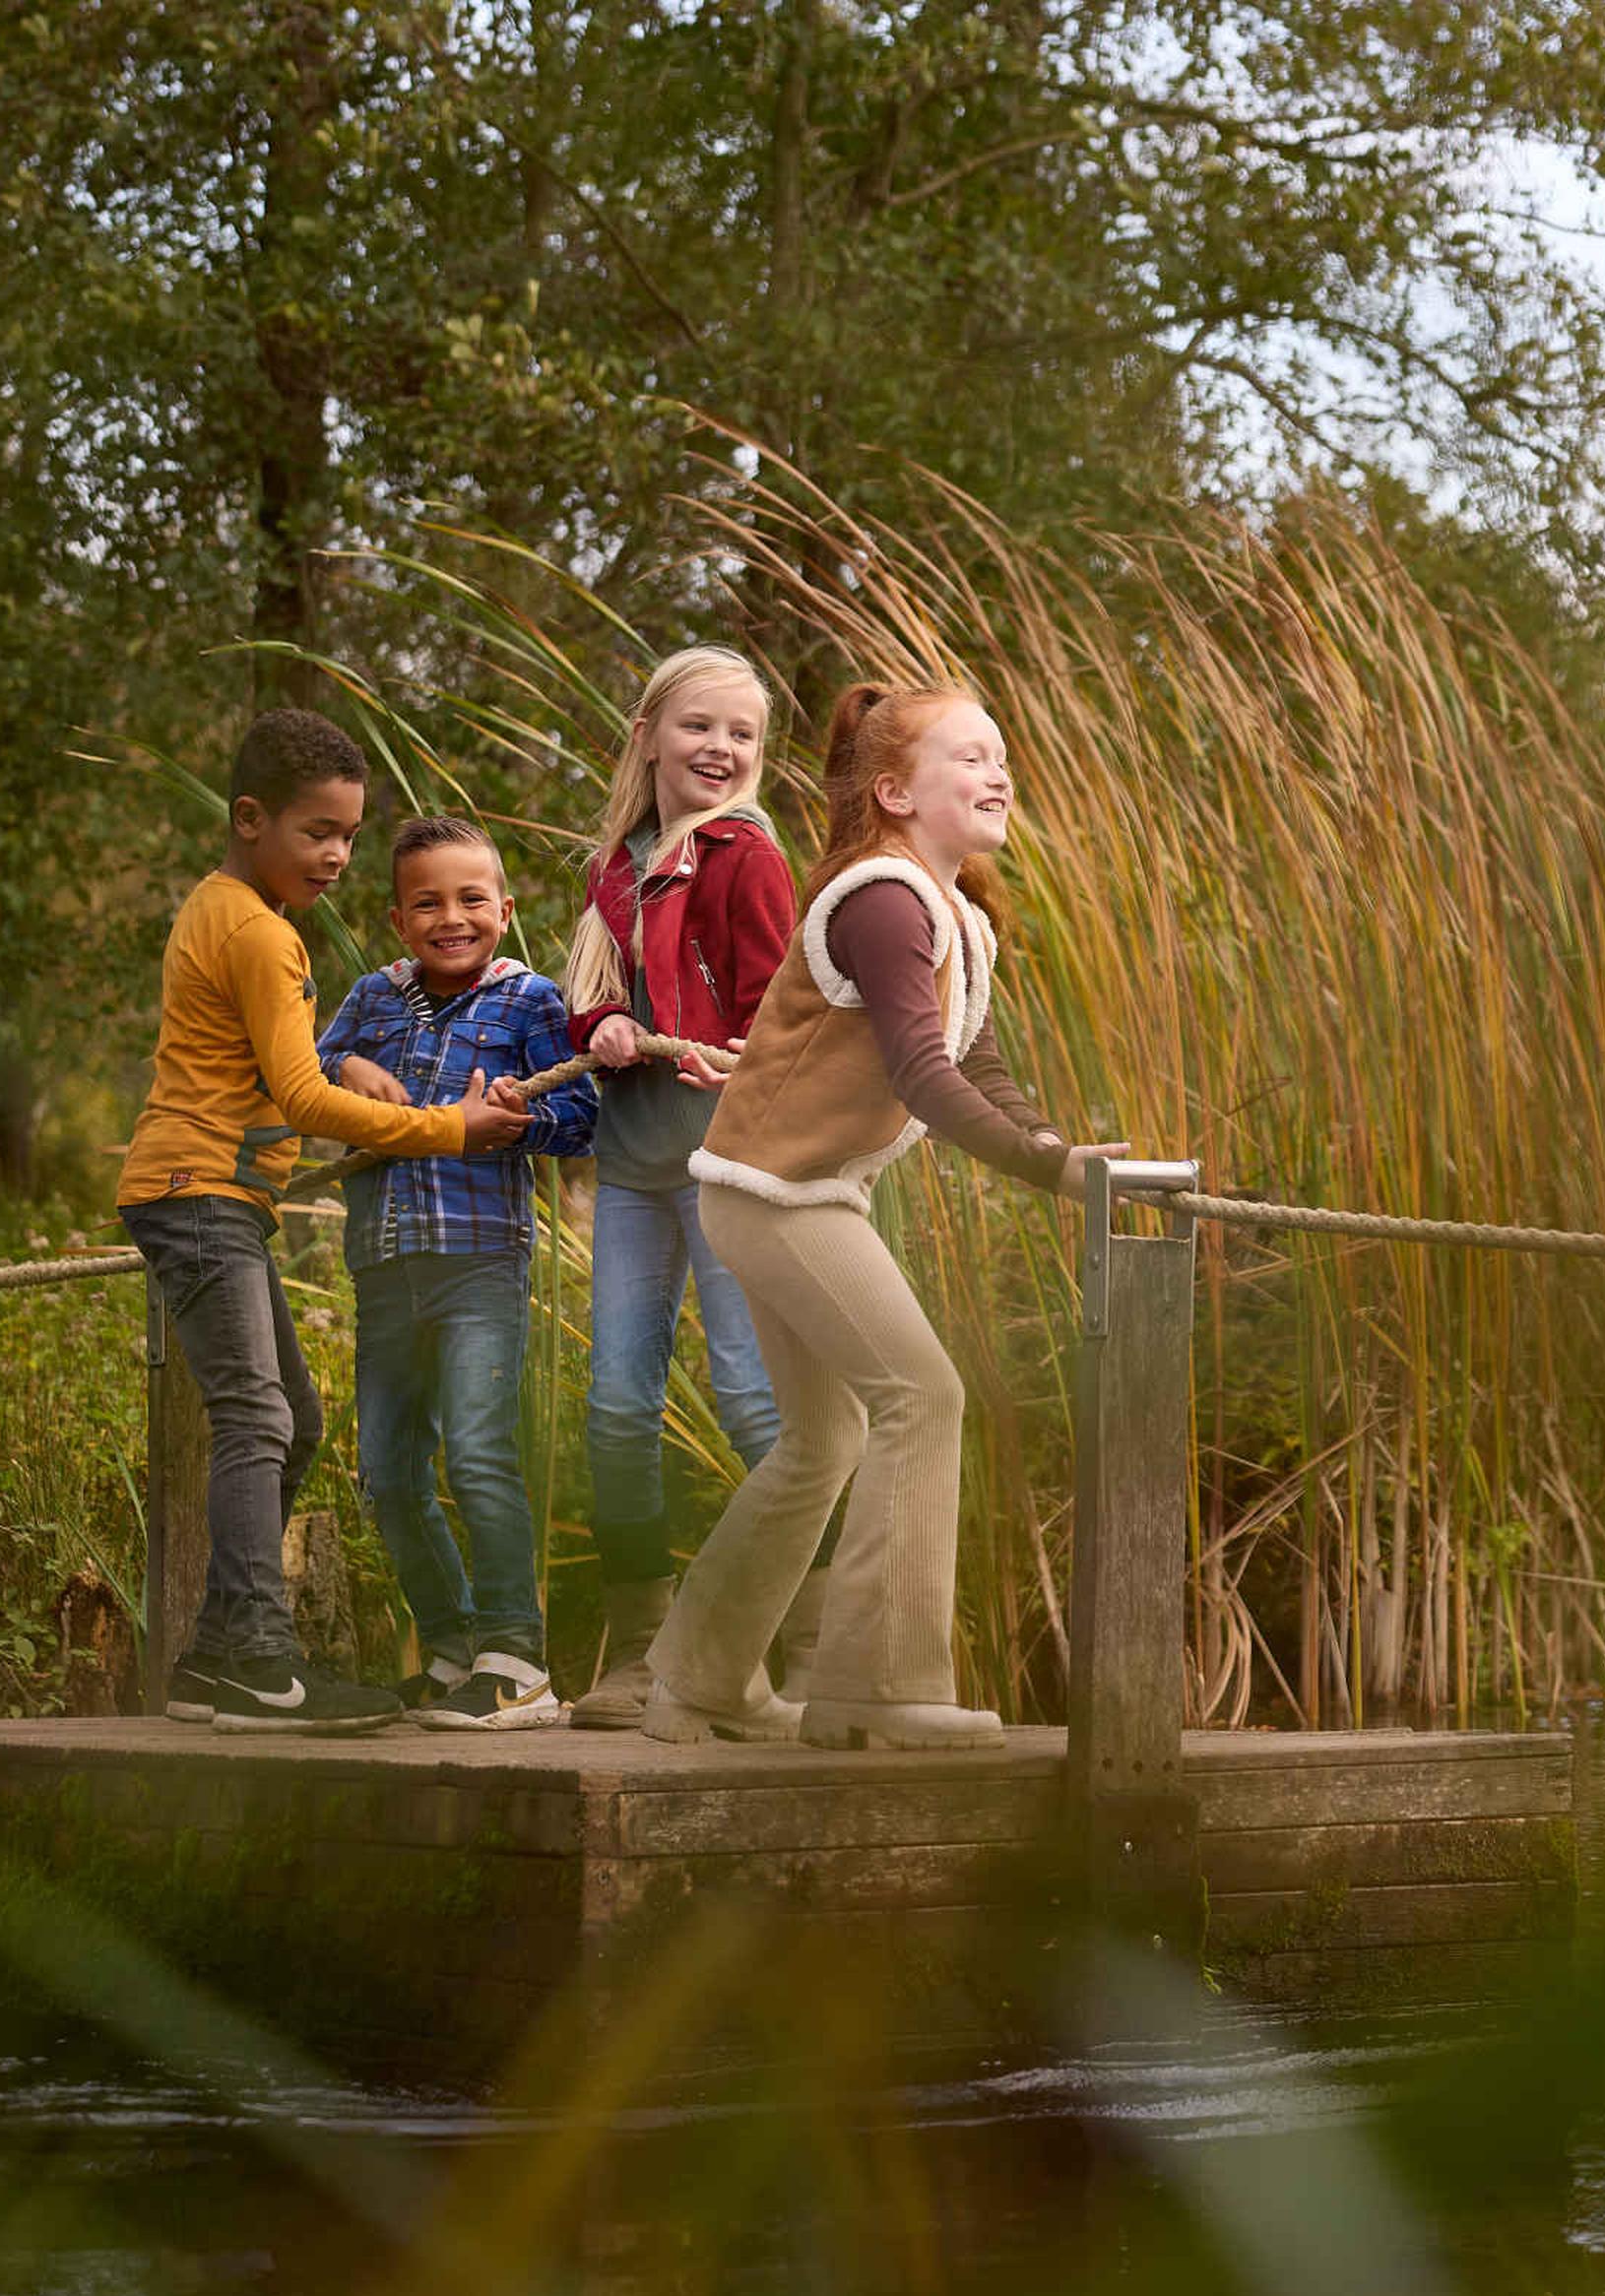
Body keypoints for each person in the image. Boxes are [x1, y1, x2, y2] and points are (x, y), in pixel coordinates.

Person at [643, 684, 1124, 1751]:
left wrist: (1061, 1151)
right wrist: (1050, 1176)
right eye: (970, 758)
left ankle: (699, 1681)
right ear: (897, 791)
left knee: (825, 1438)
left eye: (1002, 756)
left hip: (785, 1192)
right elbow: (920, 1073)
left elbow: (976, 1062)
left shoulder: (953, 912)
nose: (998, 774)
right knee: (923, 1394)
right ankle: (875, 1686)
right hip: (776, 1197)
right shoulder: (883, 899)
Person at [117, 710, 526, 1734]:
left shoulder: (224, 908)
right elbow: (301, 1096)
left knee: (292, 1417)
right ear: (250, 819)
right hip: (197, 1192)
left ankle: (213, 1659)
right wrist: (446, 1124)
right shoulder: (260, 931)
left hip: (214, 1197)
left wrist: (353, 1073)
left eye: (349, 835)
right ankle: (259, 1657)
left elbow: (284, 1068)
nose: (338, 855)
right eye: (317, 832)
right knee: (259, 1418)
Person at [553, 647, 802, 1729]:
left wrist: (721, 1049)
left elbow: (781, 1013)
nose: (722, 749)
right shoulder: (617, 863)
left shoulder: (748, 856)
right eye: (701, 727)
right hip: (635, 1164)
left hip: (724, 1157)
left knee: (752, 1396)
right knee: (616, 1405)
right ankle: (641, 1650)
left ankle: (793, 1641)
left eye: (743, 736)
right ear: (650, 733)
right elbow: (592, 992)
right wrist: (597, 1025)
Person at [317, 818, 599, 1729]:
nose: (452, 917)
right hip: (383, 1261)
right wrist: (352, 1063)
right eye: (428, 902)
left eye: (472, 899)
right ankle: (446, 1650)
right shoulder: (371, 996)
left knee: (479, 1453)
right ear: (398, 919)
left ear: (505, 911)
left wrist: (526, 1120)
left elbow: (583, 1117)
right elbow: (310, 1068)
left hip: (479, 1259)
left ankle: (515, 1658)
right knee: (389, 1470)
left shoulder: (529, 1003)